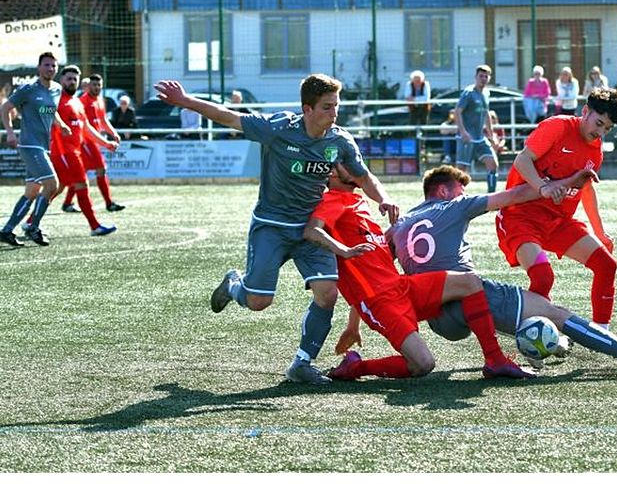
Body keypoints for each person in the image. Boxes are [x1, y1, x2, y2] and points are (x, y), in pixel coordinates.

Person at [155, 73, 400, 386]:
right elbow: (228, 116)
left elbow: (365, 179)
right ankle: (233, 285)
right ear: (306, 109)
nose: (334, 113)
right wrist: (185, 100)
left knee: (327, 295)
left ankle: (302, 364)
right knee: (259, 301)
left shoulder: (339, 141)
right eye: (327, 107)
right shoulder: (279, 128)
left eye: (336, 106)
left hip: (311, 229)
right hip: (272, 226)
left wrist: (384, 199)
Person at [385, 165, 617, 376]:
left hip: (437, 320)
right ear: (443, 189)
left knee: (505, 313)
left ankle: (526, 344)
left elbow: (381, 272)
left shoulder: (399, 225)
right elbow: (513, 196)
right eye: (460, 190)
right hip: (465, 293)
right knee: (554, 312)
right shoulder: (454, 206)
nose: (463, 194)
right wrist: (558, 184)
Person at [304, 164, 535, 380]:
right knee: (423, 364)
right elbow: (312, 231)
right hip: (379, 302)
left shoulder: (358, 203)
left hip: (401, 286)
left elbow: (367, 266)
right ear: (332, 174)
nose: (356, 166)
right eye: (346, 163)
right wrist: (342, 250)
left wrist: (352, 327)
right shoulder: (332, 200)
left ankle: (495, 360)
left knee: (470, 282)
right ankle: (357, 367)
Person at [495, 87, 617, 330]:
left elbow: (586, 189)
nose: (600, 132)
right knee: (543, 276)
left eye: (607, 129)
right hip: (520, 217)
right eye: (598, 123)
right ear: (585, 111)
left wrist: (600, 232)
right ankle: (530, 331)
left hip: (557, 221)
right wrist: (541, 187)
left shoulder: (595, 150)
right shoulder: (557, 126)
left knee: (606, 265)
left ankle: (603, 336)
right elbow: (522, 160)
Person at [31, 66, 119, 236]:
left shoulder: (77, 102)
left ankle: (29, 222)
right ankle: (94, 226)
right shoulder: (56, 100)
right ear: (62, 80)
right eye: (68, 78)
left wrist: (106, 143)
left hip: (73, 152)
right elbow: (40, 112)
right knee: (81, 185)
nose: (72, 81)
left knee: (55, 189)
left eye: (74, 79)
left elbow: (86, 128)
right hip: (63, 153)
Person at [0, 52, 68, 248]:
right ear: (39, 68)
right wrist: (10, 133)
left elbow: (51, 111)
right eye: (46, 65)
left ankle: (7, 230)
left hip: (44, 146)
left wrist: (61, 124)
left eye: (53, 66)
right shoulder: (28, 89)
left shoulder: (56, 89)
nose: (50, 69)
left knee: (32, 191)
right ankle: (33, 227)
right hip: (30, 145)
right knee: (52, 185)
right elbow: (5, 109)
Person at [61, 74, 125, 213]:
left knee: (80, 174)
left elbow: (102, 120)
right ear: (88, 86)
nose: (96, 87)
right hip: (85, 141)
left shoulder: (100, 100)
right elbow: (83, 124)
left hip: (94, 140)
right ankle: (109, 203)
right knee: (100, 169)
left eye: (99, 85)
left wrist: (113, 132)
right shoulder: (82, 101)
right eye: (94, 85)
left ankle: (67, 203)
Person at [454, 64, 502, 193]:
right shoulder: (468, 93)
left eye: (486, 76)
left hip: (480, 138)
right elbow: (457, 112)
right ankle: (454, 198)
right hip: (466, 137)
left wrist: (492, 136)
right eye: (481, 76)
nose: (483, 79)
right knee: (461, 170)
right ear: (475, 77)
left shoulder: (486, 93)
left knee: (493, 164)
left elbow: (486, 114)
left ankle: (491, 196)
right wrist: (463, 132)